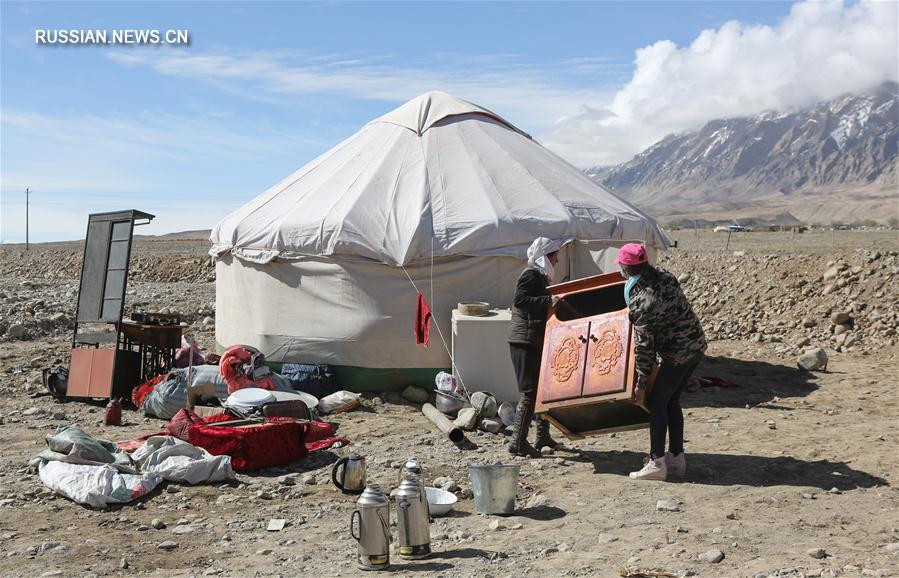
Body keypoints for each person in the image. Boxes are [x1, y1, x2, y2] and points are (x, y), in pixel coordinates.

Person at [615, 243, 707, 480]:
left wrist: (641, 382)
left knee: (657, 402)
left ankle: (657, 462)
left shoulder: (643, 301)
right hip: (695, 345)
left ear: (627, 268)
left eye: (622, 266)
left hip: (677, 353)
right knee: (671, 400)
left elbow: (644, 346)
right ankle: (676, 458)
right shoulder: (666, 277)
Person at [507, 237, 567, 457]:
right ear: (545, 256)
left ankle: (542, 436)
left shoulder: (539, 278)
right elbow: (520, 300)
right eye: (554, 256)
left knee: (541, 390)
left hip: (533, 339)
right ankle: (518, 442)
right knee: (530, 392)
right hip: (524, 340)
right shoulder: (530, 276)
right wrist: (547, 301)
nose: (557, 260)